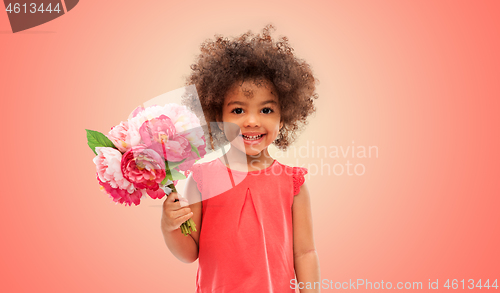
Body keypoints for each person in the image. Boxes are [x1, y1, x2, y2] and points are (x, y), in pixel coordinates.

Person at [161, 25, 320, 293]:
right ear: (218, 118)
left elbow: (304, 253)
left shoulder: (293, 184)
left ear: (283, 119)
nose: (252, 121)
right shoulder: (201, 179)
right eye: (237, 110)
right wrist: (170, 226)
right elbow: (189, 253)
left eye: (266, 109)